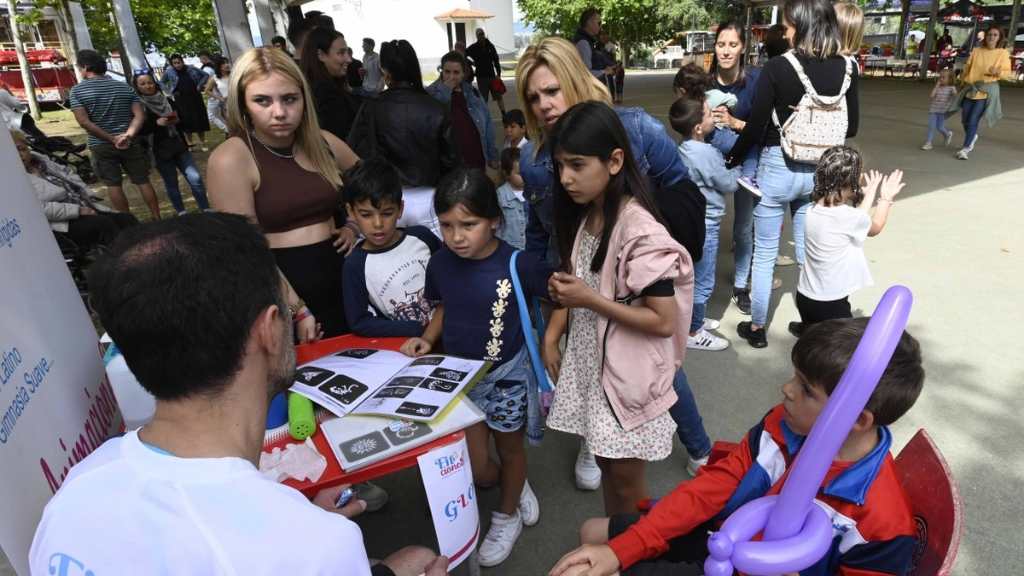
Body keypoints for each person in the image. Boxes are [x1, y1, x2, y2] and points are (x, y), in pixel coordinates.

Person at [30, 213, 448, 576]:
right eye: (289, 307)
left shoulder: (77, 490)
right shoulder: (320, 545)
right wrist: (300, 534)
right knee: (422, 558)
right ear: (269, 329)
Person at [548, 317, 925, 576]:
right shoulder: (783, 425)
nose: (787, 390)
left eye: (806, 389)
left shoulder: (883, 522)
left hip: (739, 562)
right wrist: (622, 550)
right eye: (794, 377)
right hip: (722, 537)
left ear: (858, 420)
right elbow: (709, 490)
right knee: (593, 532)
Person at [516, 35, 708, 492]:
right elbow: (540, 231)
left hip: (632, 281)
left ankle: (699, 445)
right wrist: (550, 302)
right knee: (589, 364)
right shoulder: (534, 156)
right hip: (576, 277)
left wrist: (641, 246)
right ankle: (595, 433)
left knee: (654, 373)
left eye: (552, 90)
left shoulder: (635, 128)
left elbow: (682, 192)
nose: (544, 105)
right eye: (533, 97)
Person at [543, 101, 692, 516]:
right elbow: (575, 281)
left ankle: (630, 551)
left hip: (627, 375)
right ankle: (616, 543)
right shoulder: (589, 213)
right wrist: (553, 332)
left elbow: (663, 320)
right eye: (559, 166)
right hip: (598, 366)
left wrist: (589, 300)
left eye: (576, 165)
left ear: (614, 161)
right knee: (609, 466)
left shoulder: (640, 231)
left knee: (628, 487)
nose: (566, 178)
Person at [401, 167, 547, 567]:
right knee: (481, 468)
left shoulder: (519, 263)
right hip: (460, 379)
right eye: (447, 225)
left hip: (507, 378)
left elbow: (558, 299)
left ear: (494, 220)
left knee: (511, 448)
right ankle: (514, 486)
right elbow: (443, 307)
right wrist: (428, 339)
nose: (456, 236)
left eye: (469, 224)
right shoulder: (440, 263)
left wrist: (551, 344)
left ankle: (507, 514)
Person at [727, 0, 860, 349]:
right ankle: (811, 322)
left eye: (787, 25)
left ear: (800, 25)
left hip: (778, 166)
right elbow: (854, 125)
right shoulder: (848, 67)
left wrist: (734, 157)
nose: (784, 32)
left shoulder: (779, 67)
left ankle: (757, 329)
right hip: (820, 175)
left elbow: (756, 126)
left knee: (766, 251)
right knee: (808, 251)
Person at [207, 47, 359, 341]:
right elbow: (247, 249)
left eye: (289, 99)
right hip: (283, 292)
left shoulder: (323, 143)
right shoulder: (232, 158)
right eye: (262, 100)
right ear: (242, 104)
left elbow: (373, 184)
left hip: (345, 280)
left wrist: (354, 224)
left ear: (304, 98)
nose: (279, 112)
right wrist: (296, 309)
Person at [790, 146, 903, 337]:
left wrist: (867, 195)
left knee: (813, 335)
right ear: (851, 181)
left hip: (806, 295)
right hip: (831, 304)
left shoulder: (812, 208)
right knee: (839, 351)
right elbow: (874, 227)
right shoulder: (848, 217)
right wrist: (885, 198)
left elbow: (856, 218)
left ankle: (808, 330)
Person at [348, 40, 457, 235]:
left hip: (383, 202)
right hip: (429, 200)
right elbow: (452, 159)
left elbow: (356, 154)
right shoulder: (436, 108)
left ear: (386, 72)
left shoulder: (372, 107)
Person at [705, 21, 765, 318]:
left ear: (742, 47)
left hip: (747, 156)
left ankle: (741, 284)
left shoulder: (755, 80)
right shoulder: (705, 81)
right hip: (712, 154)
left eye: (732, 45)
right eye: (720, 44)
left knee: (743, 225)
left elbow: (765, 128)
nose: (726, 51)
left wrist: (734, 123)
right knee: (707, 222)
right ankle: (700, 286)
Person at [341, 157, 441, 337]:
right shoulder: (355, 265)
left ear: (400, 209)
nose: (378, 223)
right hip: (408, 348)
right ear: (351, 212)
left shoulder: (422, 237)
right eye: (366, 215)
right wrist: (416, 329)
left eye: (387, 213)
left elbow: (453, 274)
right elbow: (360, 321)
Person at [670, 97, 738, 352]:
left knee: (691, 274)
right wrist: (741, 170)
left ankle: (690, 320)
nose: (714, 118)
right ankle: (693, 331)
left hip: (692, 221)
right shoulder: (705, 152)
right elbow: (727, 183)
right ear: (698, 127)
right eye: (710, 115)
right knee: (703, 279)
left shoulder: (685, 148)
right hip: (706, 223)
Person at [69, 49, 161, 220]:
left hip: (101, 145)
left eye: (79, 67)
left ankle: (127, 223)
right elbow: (140, 115)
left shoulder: (77, 91)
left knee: (113, 184)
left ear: (86, 67)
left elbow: (84, 122)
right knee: (143, 180)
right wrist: (128, 136)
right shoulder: (124, 87)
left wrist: (112, 139)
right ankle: (157, 217)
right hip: (129, 142)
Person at [13, 129, 137, 249]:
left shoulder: (41, 161)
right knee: (104, 225)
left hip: (83, 206)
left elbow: (69, 174)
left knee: (126, 219)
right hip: (61, 223)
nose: (19, 155)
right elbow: (38, 209)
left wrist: (86, 194)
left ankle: (146, 256)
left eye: (21, 149)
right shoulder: (14, 178)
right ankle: (126, 263)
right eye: (13, 151)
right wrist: (77, 210)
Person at [133, 73, 210, 215]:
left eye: (150, 82)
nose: (148, 86)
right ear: (137, 87)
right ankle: (181, 212)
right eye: (142, 84)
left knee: (195, 178)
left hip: (178, 144)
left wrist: (178, 120)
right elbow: (139, 129)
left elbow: (183, 119)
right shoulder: (139, 106)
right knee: (171, 182)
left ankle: (205, 208)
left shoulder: (168, 100)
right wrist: (156, 124)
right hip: (159, 149)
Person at [427, 50, 498, 171]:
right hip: (450, 166)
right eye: (447, 72)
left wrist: (492, 156)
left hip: (477, 161)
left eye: (456, 72)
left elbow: (487, 124)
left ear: (463, 74)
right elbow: (430, 122)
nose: (451, 77)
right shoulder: (432, 93)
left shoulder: (472, 92)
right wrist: (446, 90)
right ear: (441, 71)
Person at [952, 26, 1012, 160]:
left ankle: (966, 148)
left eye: (995, 35)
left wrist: (998, 72)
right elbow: (967, 68)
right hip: (971, 88)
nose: (992, 37)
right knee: (965, 119)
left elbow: (1008, 73)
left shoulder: (1002, 53)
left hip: (986, 90)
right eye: (990, 34)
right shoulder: (977, 51)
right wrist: (961, 83)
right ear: (986, 36)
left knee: (973, 119)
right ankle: (972, 136)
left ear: (999, 38)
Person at [300, 27, 362, 142]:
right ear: (321, 55)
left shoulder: (320, 86)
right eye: (341, 53)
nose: (349, 59)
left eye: (347, 52)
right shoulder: (325, 93)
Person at [161, 54, 211, 151]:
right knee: (186, 122)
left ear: (182, 61)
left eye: (179, 62)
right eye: (175, 63)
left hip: (195, 97)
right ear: (172, 64)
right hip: (181, 99)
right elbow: (161, 82)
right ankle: (190, 144)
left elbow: (205, 75)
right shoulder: (169, 71)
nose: (177, 65)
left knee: (199, 120)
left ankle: (203, 142)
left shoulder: (191, 68)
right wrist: (169, 90)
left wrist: (199, 85)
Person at [466, 27, 507, 114]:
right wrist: (471, 63)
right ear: (476, 36)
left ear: (484, 34)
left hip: (492, 76)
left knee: (499, 97)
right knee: (483, 99)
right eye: (479, 34)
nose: (481, 36)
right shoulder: (474, 47)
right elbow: (464, 54)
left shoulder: (490, 46)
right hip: (481, 78)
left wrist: (498, 75)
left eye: (482, 34)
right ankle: (484, 117)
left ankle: (504, 115)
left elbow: (496, 60)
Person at [496, 146, 527, 250]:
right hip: (509, 249)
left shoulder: (534, 193)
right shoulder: (500, 196)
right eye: (519, 173)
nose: (525, 175)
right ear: (506, 174)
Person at [573, 8, 615, 81]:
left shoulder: (587, 40)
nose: (600, 27)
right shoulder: (583, 43)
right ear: (589, 22)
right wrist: (605, 72)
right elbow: (585, 73)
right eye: (599, 23)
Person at [921, 68, 957, 150]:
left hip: (943, 111)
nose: (941, 79)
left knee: (940, 127)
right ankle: (928, 143)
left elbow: (955, 96)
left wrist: (954, 94)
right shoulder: (938, 87)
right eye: (940, 77)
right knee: (931, 126)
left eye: (943, 77)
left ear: (950, 79)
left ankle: (947, 134)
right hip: (933, 110)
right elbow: (932, 96)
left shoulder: (951, 88)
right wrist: (936, 86)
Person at [204, 56, 231, 133]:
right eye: (223, 63)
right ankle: (228, 132)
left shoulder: (234, 74)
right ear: (218, 66)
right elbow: (207, 91)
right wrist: (220, 98)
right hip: (228, 104)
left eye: (227, 62)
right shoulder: (215, 78)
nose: (227, 65)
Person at [597, 31, 625, 103]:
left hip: (609, 65)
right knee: (602, 81)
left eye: (605, 35)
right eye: (602, 36)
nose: (603, 37)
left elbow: (613, 56)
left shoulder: (611, 45)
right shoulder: (598, 45)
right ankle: (604, 97)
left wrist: (614, 66)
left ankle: (612, 98)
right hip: (600, 65)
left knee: (611, 82)